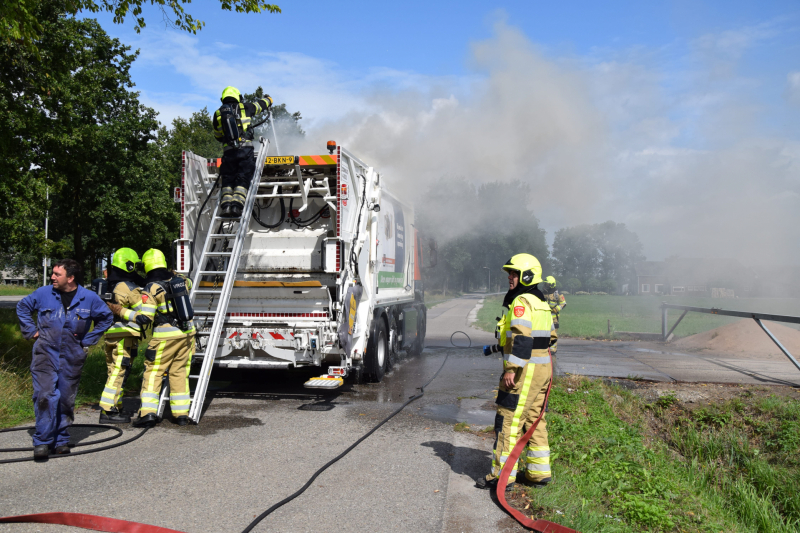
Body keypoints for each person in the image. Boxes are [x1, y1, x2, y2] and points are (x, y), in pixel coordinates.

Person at [16, 259, 113, 459]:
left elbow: (106, 318)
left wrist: (89, 339)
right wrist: (31, 331)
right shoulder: (44, 293)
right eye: (53, 273)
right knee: (44, 395)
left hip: (73, 353)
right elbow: (23, 307)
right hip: (45, 351)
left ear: (70, 277)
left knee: (65, 397)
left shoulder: (89, 298)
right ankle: (43, 441)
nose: (52, 277)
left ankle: (61, 439)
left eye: (57, 274)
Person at [477, 254, 554, 491]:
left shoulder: (521, 301)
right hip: (542, 368)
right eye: (509, 273)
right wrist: (499, 348)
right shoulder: (541, 302)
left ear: (527, 275)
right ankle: (538, 473)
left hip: (524, 371)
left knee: (508, 419)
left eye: (514, 273)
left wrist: (513, 368)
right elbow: (549, 337)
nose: (510, 277)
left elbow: (521, 337)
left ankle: (502, 476)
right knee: (534, 419)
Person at [132, 249, 196, 427]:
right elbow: (190, 281)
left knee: (154, 372)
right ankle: (181, 415)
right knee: (180, 372)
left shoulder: (151, 288)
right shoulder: (181, 282)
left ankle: (148, 414)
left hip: (165, 337)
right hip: (187, 334)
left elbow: (146, 317)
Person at [98, 248, 150, 423]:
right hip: (124, 335)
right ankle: (107, 411)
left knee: (113, 371)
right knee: (119, 372)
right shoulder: (128, 287)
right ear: (128, 265)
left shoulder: (108, 284)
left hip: (110, 334)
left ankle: (116, 407)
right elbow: (143, 310)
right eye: (134, 265)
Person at [212, 86, 273, 218]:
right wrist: (269, 99)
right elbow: (260, 105)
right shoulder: (246, 107)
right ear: (238, 98)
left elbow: (217, 136)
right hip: (245, 150)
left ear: (223, 99)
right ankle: (237, 206)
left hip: (228, 153)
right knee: (243, 177)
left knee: (228, 179)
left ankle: (226, 207)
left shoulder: (217, 114)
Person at [543, 275, 566, 371]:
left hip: (554, 318)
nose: (545, 285)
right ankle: (545, 347)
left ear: (552, 285)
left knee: (553, 333)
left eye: (547, 284)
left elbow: (563, 303)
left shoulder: (557, 294)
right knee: (544, 332)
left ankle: (552, 349)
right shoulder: (543, 293)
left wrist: (557, 309)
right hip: (544, 317)